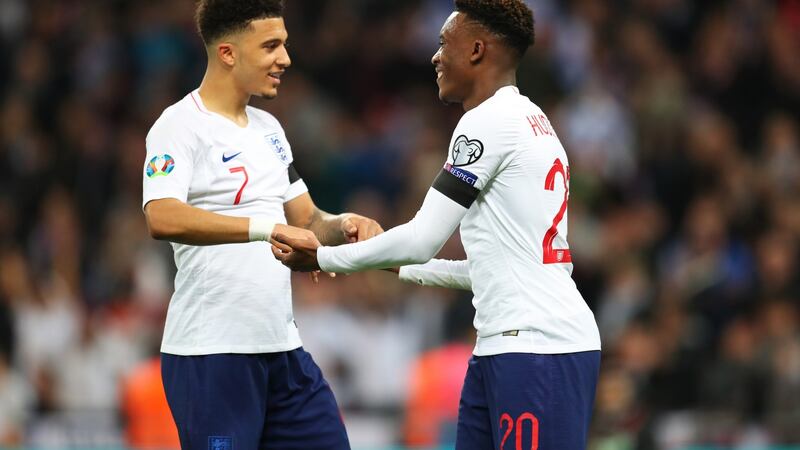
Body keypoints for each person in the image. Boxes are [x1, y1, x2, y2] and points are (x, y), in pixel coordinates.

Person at [272, 1, 601, 449]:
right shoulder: (534, 121)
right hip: (506, 345)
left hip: (536, 349)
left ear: (477, 50)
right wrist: (390, 266)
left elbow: (423, 238)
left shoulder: (486, 123)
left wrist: (325, 256)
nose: (435, 56)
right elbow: (487, 268)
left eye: (445, 43)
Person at [141, 1, 382, 448]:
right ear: (229, 53)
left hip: (282, 349)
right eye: (271, 46)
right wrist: (264, 228)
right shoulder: (178, 126)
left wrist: (346, 223)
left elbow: (307, 218)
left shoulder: (269, 129)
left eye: (285, 45)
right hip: (211, 353)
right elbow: (161, 214)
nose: (285, 59)